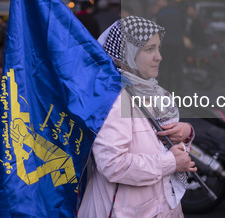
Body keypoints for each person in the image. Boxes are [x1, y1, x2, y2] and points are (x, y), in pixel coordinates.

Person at [78, 16, 196, 217]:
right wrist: (172, 163)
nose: (159, 57)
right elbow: (112, 164)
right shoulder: (115, 98)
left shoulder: (155, 92)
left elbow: (163, 144)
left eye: (158, 48)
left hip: (162, 206)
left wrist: (185, 132)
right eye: (149, 49)